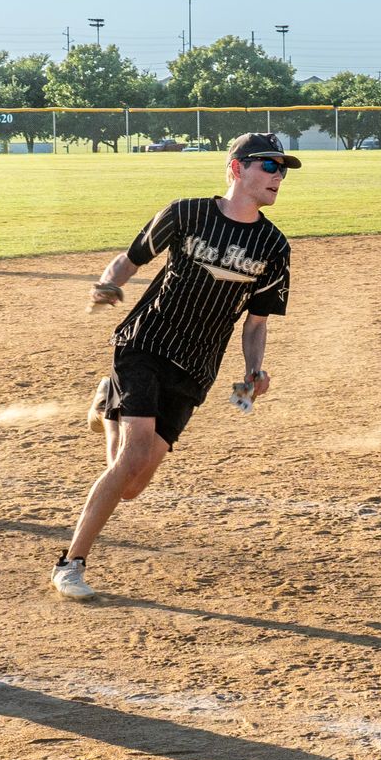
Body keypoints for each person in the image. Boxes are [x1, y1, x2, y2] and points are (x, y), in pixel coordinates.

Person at [52, 132, 295, 601]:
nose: (277, 176)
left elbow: (255, 322)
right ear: (236, 168)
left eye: (282, 169)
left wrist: (254, 369)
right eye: (268, 166)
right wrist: (107, 284)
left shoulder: (274, 246)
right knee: (133, 454)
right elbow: (132, 258)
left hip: (195, 368)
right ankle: (71, 562)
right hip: (145, 343)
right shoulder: (187, 213)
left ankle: (108, 407)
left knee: (132, 484)